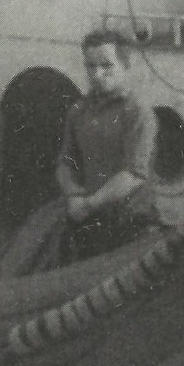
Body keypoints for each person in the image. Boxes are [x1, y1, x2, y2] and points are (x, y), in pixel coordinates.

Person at [55, 29, 158, 263]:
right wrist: (73, 195)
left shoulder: (138, 112)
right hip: (89, 220)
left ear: (125, 65)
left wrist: (89, 204)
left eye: (107, 66)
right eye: (90, 66)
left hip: (130, 224)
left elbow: (133, 175)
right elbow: (65, 162)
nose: (97, 74)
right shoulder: (78, 111)